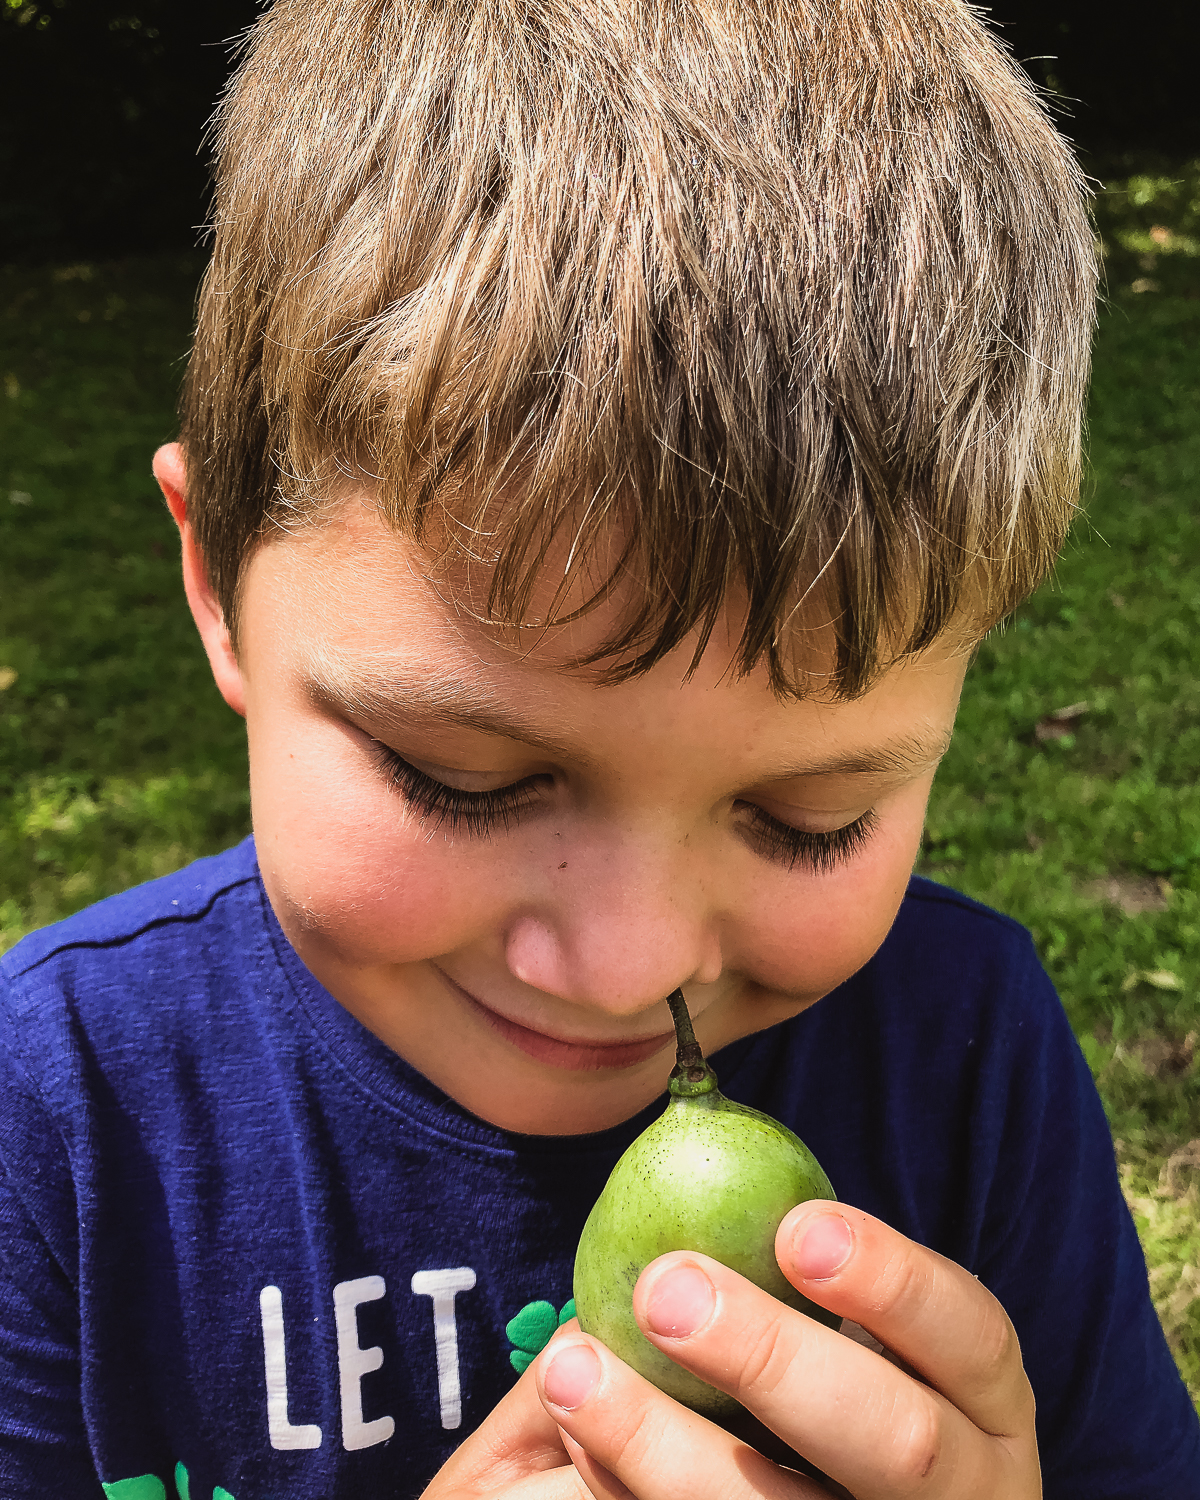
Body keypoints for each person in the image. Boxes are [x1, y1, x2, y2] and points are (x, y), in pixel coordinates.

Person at [2, 0, 1197, 1495]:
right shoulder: (51, 1127)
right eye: (464, 777)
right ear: (218, 590)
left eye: (812, 815)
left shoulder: (971, 1060)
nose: (633, 969)